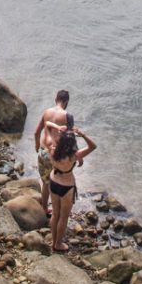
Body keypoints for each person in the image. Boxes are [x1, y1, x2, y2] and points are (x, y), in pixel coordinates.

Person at [47, 124, 96, 252]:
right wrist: (83, 134)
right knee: (63, 217)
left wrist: (60, 131)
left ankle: (53, 241)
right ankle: (58, 244)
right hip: (66, 186)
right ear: (72, 143)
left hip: (53, 181)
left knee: (55, 213)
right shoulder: (73, 156)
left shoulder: (52, 149)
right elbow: (93, 146)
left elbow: (48, 128)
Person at [34, 90, 71, 214]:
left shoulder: (46, 112)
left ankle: (44, 209)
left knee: (45, 182)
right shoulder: (67, 116)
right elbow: (70, 140)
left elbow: (36, 132)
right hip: (55, 154)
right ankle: (57, 211)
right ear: (66, 102)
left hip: (43, 151)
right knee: (58, 182)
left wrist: (37, 145)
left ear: (56, 99)